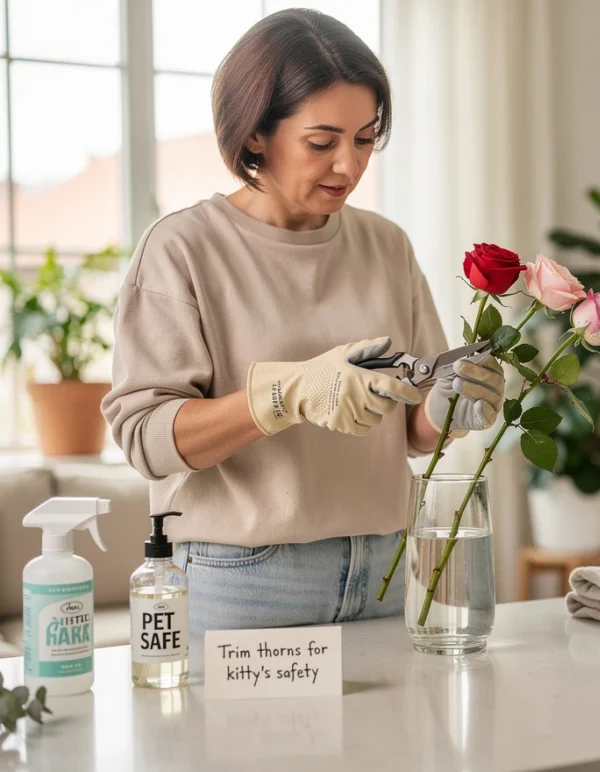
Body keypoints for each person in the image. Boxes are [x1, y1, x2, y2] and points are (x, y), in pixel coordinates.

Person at [101, 9, 506, 637]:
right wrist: (282, 394)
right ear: (257, 134)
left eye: (365, 139)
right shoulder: (183, 248)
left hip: (387, 565)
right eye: (322, 143)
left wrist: (452, 409)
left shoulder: (385, 245)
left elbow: (410, 431)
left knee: (394, 740)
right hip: (244, 577)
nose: (349, 165)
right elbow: (146, 441)